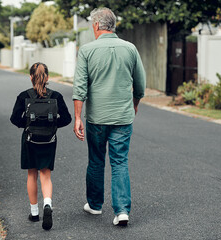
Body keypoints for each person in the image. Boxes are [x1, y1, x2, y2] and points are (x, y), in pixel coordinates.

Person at [72, 7, 146, 226]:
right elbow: (140, 85)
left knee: (96, 160)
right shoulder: (130, 49)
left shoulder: (86, 50)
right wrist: (134, 105)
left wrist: (77, 118)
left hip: (96, 118)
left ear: (96, 25)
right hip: (123, 117)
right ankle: (122, 211)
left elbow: (79, 87)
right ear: (114, 25)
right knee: (120, 161)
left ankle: (95, 205)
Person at [10, 62, 71, 230]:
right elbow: (66, 119)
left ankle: (34, 212)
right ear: (48, 78)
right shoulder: (56, 96)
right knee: (45, 174)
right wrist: (51, 125)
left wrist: (28, 124)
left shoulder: (24, 96)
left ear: (30, 77)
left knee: (32, 174)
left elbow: (14, 119)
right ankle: (48, 205)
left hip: (30, 139)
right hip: (49, 139)